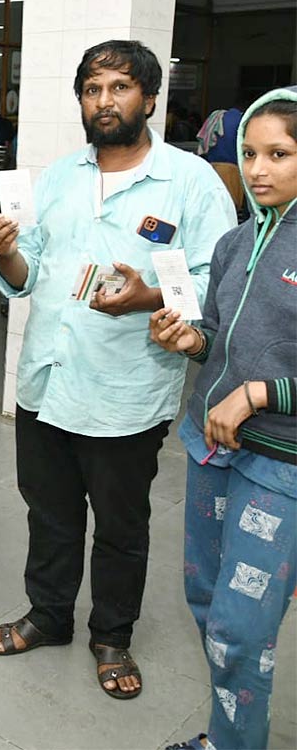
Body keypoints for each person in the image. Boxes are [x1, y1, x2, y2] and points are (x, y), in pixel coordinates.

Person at [0, 41, 236, 699]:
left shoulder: (191, 182)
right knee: (49, 513)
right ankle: (49, 615)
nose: (105, 101)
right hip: (47, 379)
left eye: (120, 88)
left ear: (149, 99)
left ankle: (112, 636)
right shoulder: (58, 177)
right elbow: (27, 269)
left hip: (124, 390)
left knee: (121, 527)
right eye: (93, 89)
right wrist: (3, 252)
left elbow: (217, 278)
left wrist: (149, 295)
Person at [152, 89, 296, 750]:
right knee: (209, 604)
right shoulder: (238, 241)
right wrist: (191, 343)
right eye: (251, 154)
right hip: (212, 447)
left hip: (277, 461)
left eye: (280, 154)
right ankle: (228, 736)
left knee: (241, 625)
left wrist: (261, 394)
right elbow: (217, 334)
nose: (259, 169)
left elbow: (263, 377)